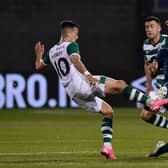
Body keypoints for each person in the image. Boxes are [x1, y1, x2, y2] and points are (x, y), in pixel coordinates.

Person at [34, 20, 167, 160]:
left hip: (73, 93)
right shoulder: (71, 45)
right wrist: (87, 75)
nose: (77, 37)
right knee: (120, 84)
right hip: (83, 84)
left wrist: (38, 55)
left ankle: (107, 148)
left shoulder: (53, 51)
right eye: (76, 34)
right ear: (71, 32)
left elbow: (39, 67)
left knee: (107, 112)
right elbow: (75, 60)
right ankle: (152, 101)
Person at [141, 16, 168, 157]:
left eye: (152, 26)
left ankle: (161, 150)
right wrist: (149, 85)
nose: (149, 29)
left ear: (159, 28)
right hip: (159, 86)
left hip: (166, 86)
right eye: (146, 27)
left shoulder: (166, 40)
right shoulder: (146, 44)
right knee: (145, 115)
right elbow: (148, 64)